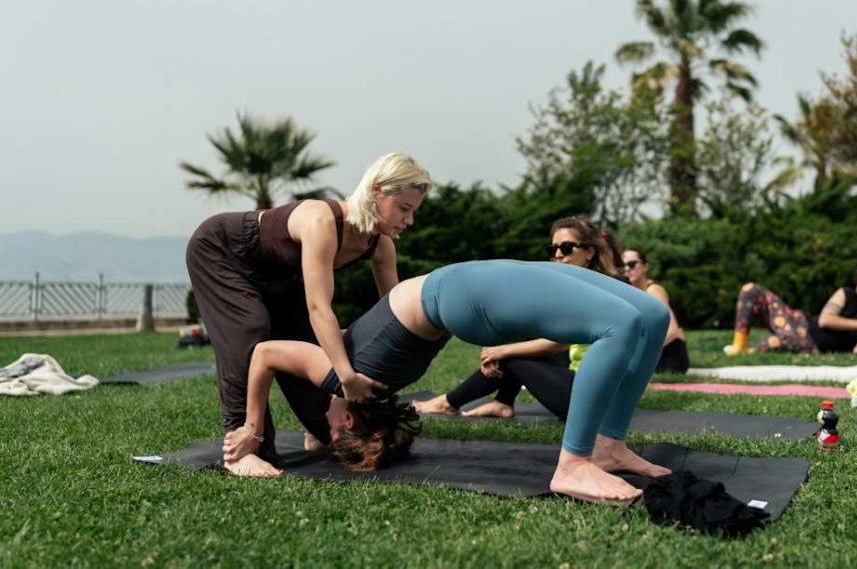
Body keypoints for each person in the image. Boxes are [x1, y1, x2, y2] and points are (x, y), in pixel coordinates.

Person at [223, 259, 671, 504]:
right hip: (463, 293)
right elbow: (264, 354)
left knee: (650, 315)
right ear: (355, 419)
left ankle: (608, 446)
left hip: (464, 286)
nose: (323, 425)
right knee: (620, 325)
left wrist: (266, 429)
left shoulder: (351, 377)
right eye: (334, 432)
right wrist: (254, 429)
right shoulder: (342, 382)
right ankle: (574, 464)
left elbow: (271, 354)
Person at [185, 152, 432, 475]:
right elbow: (319, 307)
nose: (409, 221)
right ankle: (242, 446)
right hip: (223, 251)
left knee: (304, 345)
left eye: (413, 211)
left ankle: (318, 429)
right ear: (376, 191)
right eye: (404, 208)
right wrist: (346, 377)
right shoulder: (322, 221)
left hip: (280, 276)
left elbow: (394, 314)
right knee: (250, 330)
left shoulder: (381, 246)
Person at [411, 216, 619, 421]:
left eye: (566, 248)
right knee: (521, 345)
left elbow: (558, 344)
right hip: (588, 388)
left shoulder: (595, 289)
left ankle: (449, 403)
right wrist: (501, 348)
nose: (557, 255)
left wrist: (501, 352)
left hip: (594, 397)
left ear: (589, 252)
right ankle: (503, 401)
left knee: (513, 356)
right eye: (552, 249)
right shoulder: (575, 287)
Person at [723, 264, 857, 355]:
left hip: (809, 346)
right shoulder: (846, 294)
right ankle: (739, 345)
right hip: (800, 325)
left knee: (782, 342)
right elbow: (825, 319)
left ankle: (752, 351)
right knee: (751, 290)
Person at [621, 248, 689, 374]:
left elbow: (673, 331)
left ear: (645, 267)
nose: (627, 269)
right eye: (623, 265)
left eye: (631, 264)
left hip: (670, 353)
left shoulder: (653, 290)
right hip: (653, 352)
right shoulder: (630, 293)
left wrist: (640, 353)